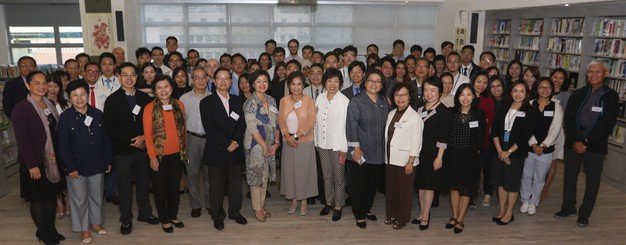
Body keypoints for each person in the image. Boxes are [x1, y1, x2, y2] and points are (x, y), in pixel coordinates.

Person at [555, 61, 619, 227]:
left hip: (595, 144)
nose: (594, 75)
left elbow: (607, 122)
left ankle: (584, 214)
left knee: (592, 180)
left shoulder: (611, 96)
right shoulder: (578, 93)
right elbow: (568, 118)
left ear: (605, 74)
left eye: (598, 72)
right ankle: (568, 207)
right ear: (586, 74)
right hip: (574, 141)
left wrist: (586, 141)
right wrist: (576, 140)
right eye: (590, 72)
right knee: (570, 176)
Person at [103, 63, 159, 235]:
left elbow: (152, 123)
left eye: (132, 75)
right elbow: (109, 128)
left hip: (143, 150)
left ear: (137, 77)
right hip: (123, 152)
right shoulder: (112, 100)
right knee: (125, 187)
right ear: (119, 76)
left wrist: (143, 137)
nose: (129, 78)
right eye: (125, 75)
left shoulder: (144, 98)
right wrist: (130, 140)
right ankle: (126, 219)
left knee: (143, 184)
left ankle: (145, 214)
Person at [57, 80, 113, 243]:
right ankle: (83, 229)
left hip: (97, 163)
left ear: (88, 95)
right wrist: (70, 167)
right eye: (75, 95)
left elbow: (105, 140)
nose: (79, 98)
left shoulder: (97, 114)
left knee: (96, 195)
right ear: (69, 98)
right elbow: (63, 146)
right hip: (76, 167)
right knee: (79, 199)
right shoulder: (65, 118)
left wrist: (108, 160)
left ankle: (95, 223)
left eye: (82, 94)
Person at [12, 71, 64, 245]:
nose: (42, 87)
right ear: (28, 85)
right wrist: (32, 165)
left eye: (44, 83)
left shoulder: (48, 103)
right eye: (37, 83)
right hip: (34, 161)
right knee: (37, 199)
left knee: (50, 197)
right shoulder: (21, 108)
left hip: (52, 160)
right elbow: (22, 140)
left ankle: (51, 230)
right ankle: (43, 232)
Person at [200, 68, 248, 230]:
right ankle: (218, 215)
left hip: (235, 150)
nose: (223, 81)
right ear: (213, 81)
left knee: (235, 185)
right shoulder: (206, 102)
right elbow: (210, 128)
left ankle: (235, 212)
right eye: (219, 79)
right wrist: (227, 143)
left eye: (226, 78)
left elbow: (242, 125)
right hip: (217, 150)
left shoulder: (238, 101)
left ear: (231, 81)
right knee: (217, 186)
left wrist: (235, 142)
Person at [143, 75, 187, 233]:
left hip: (177, 154)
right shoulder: (149, 108)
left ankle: (173, 215)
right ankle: (164, 219)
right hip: (159, 156)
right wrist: (152, 157)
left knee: (174, 188)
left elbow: (183, 130)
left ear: (172, 88)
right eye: (159, 87)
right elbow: (147, 135)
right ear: (155, 91)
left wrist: (184, 151)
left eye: (166, 86)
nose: (163, 90)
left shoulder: (179, 105)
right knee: (160, 189)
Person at [491, 82, 537, 225]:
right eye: (515, 90)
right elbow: (495, 131)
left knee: (511, 183)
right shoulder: (503, 107)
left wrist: (508, 152)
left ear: (526, 93)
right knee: (500, 182)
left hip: (516, 152)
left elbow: (525, 137)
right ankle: (502, 209)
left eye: (522, 91)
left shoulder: (530, 111)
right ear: (510, 92)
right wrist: (500, 152)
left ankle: (510, 212)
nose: (518, 94)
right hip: (500, 150)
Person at [444, 83, 486, 234]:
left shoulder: (479, 114)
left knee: (466, 188)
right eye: (462, 94)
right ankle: (454, 216)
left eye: (468, 94)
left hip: (470, 157)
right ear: (457, 97)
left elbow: (481, 137)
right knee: (454, 187)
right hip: (453, 155)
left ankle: (461, 219)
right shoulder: (451, 112)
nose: (465, 98)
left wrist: (477, 153)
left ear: (473, 96)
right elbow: (446, 134)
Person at [519, 78, 563, 216]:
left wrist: (543, 145)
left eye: (548, 87)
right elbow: (525, 127)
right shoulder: (530, 104)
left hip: (546, 150)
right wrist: (533, 144)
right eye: (541, 87)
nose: (544, 90)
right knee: (526, 175)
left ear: (552, 89)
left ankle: (534, 202)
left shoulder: (556, 107)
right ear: (536, 89)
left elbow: (556, 129)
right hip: (529, 148)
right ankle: (525, 200)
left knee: (539, 178)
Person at [384, 82, 423, 230]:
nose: (400, 98)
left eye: (404, 95)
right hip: (390, 158)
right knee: (391, 189)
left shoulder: (414, 117)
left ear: (410, 97)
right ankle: (392, 214)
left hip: (405, 161)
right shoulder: (391, 113)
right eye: (397, 95)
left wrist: (411, 161)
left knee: (404, 192)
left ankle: (402, 218)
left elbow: (417, 141)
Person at [415, 76, 452, 230]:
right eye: (426, 90)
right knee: (421, 185)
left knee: (429, 186)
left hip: (433, 154)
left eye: (433, 90)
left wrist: (439, 157)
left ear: (439, 91)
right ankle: (423, 212)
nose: (429, 94)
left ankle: (425, 216)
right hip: (419, 152)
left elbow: (443, 137)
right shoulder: (420, 108)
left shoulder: (443, 111)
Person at [278, 71, 318, 216]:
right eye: (293, 84)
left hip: (304, 142)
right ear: (289, 85)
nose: (296, 87)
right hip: (288, 142)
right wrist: (287, 136)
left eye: (299, 84)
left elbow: (310, 121)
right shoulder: (284, 100)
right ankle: (294, 199)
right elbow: (281, 120)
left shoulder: (309, 100)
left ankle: (304, 201)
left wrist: (295, 136)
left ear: (303, 85)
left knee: (303, 173)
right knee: (290, 173)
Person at [243, 70, 280, 222]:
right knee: (256, 177)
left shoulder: (271, 100)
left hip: (270, 144)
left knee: (264, 176)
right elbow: (252, 128)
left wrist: (276, 143)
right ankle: (257, 209)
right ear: (253, 84)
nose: (262, 84)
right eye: (258, 81)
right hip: (255, 146)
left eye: (265, 81)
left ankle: (262, 205)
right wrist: (264, 145)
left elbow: (276, 123)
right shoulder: (249, 103)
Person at [314, 68, 350, 221]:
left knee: (339, 177)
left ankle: (338, 205)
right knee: (326, 176)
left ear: (340, 83)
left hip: (337, 146)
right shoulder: (320, 98)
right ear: (325, 82)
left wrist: (344, 149)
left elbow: (347, 127)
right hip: (322, 144)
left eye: (336, 81)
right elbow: (315, 122)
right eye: (329, 81)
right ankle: (329, 202)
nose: (332, 84)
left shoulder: (344, 101)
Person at [180, 67, 212, 218]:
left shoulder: (214, 97)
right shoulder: (184, 99)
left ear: (207, 79)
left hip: (209, 139)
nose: (200, 80)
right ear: (192, 80)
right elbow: (180, 123)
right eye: (196, 77)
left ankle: (210, 203)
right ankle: (195, 205)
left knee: (209, 174)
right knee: (191, 173)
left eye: (203, 77)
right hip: (191, 138)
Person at [541, 68, 572, 201]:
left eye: (561, 78)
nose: (557, 80)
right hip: (541, 131)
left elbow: (564, 115)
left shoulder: (566, 95)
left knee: (552, 162)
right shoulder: (544, 90)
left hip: (557, 132)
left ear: (564, 81)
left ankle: (545, 188)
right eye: (555, 77)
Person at [469, 72, 495, 208]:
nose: (481, 85)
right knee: (469, 169)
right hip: (467, 140)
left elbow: (489, 122)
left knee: (479, 169)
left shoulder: (489, 100)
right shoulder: (467, 95)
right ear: (473, 81)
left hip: (483, 141)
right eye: (479, 81)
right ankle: (468, 195)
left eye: (485, 82)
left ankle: (476, 195)